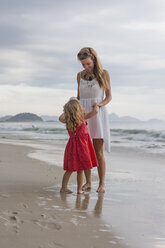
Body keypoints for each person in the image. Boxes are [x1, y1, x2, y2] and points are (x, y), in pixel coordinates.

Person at [77, 47, 112, 193]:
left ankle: (102, 184)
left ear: (94, 60)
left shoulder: (104, 74)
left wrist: (100, 104)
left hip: (98, 113)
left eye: (88, 64)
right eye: (83, 64)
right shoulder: (79, 75)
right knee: (85, 151)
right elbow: (78, 97)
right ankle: (88, 182)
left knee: (98, 152)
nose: (86, 67)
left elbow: (109, 96)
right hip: (83, 115)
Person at [59, 98, 99, 194]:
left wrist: (67, 111)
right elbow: (96, 112)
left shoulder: (68, 120)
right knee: (80, 170)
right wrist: (96, 105)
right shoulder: (82, 117)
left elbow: (60, 118)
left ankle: (64, 187)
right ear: (79, 109)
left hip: (72, 147)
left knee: (70, 170)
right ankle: (79, 189)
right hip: (82, 147)